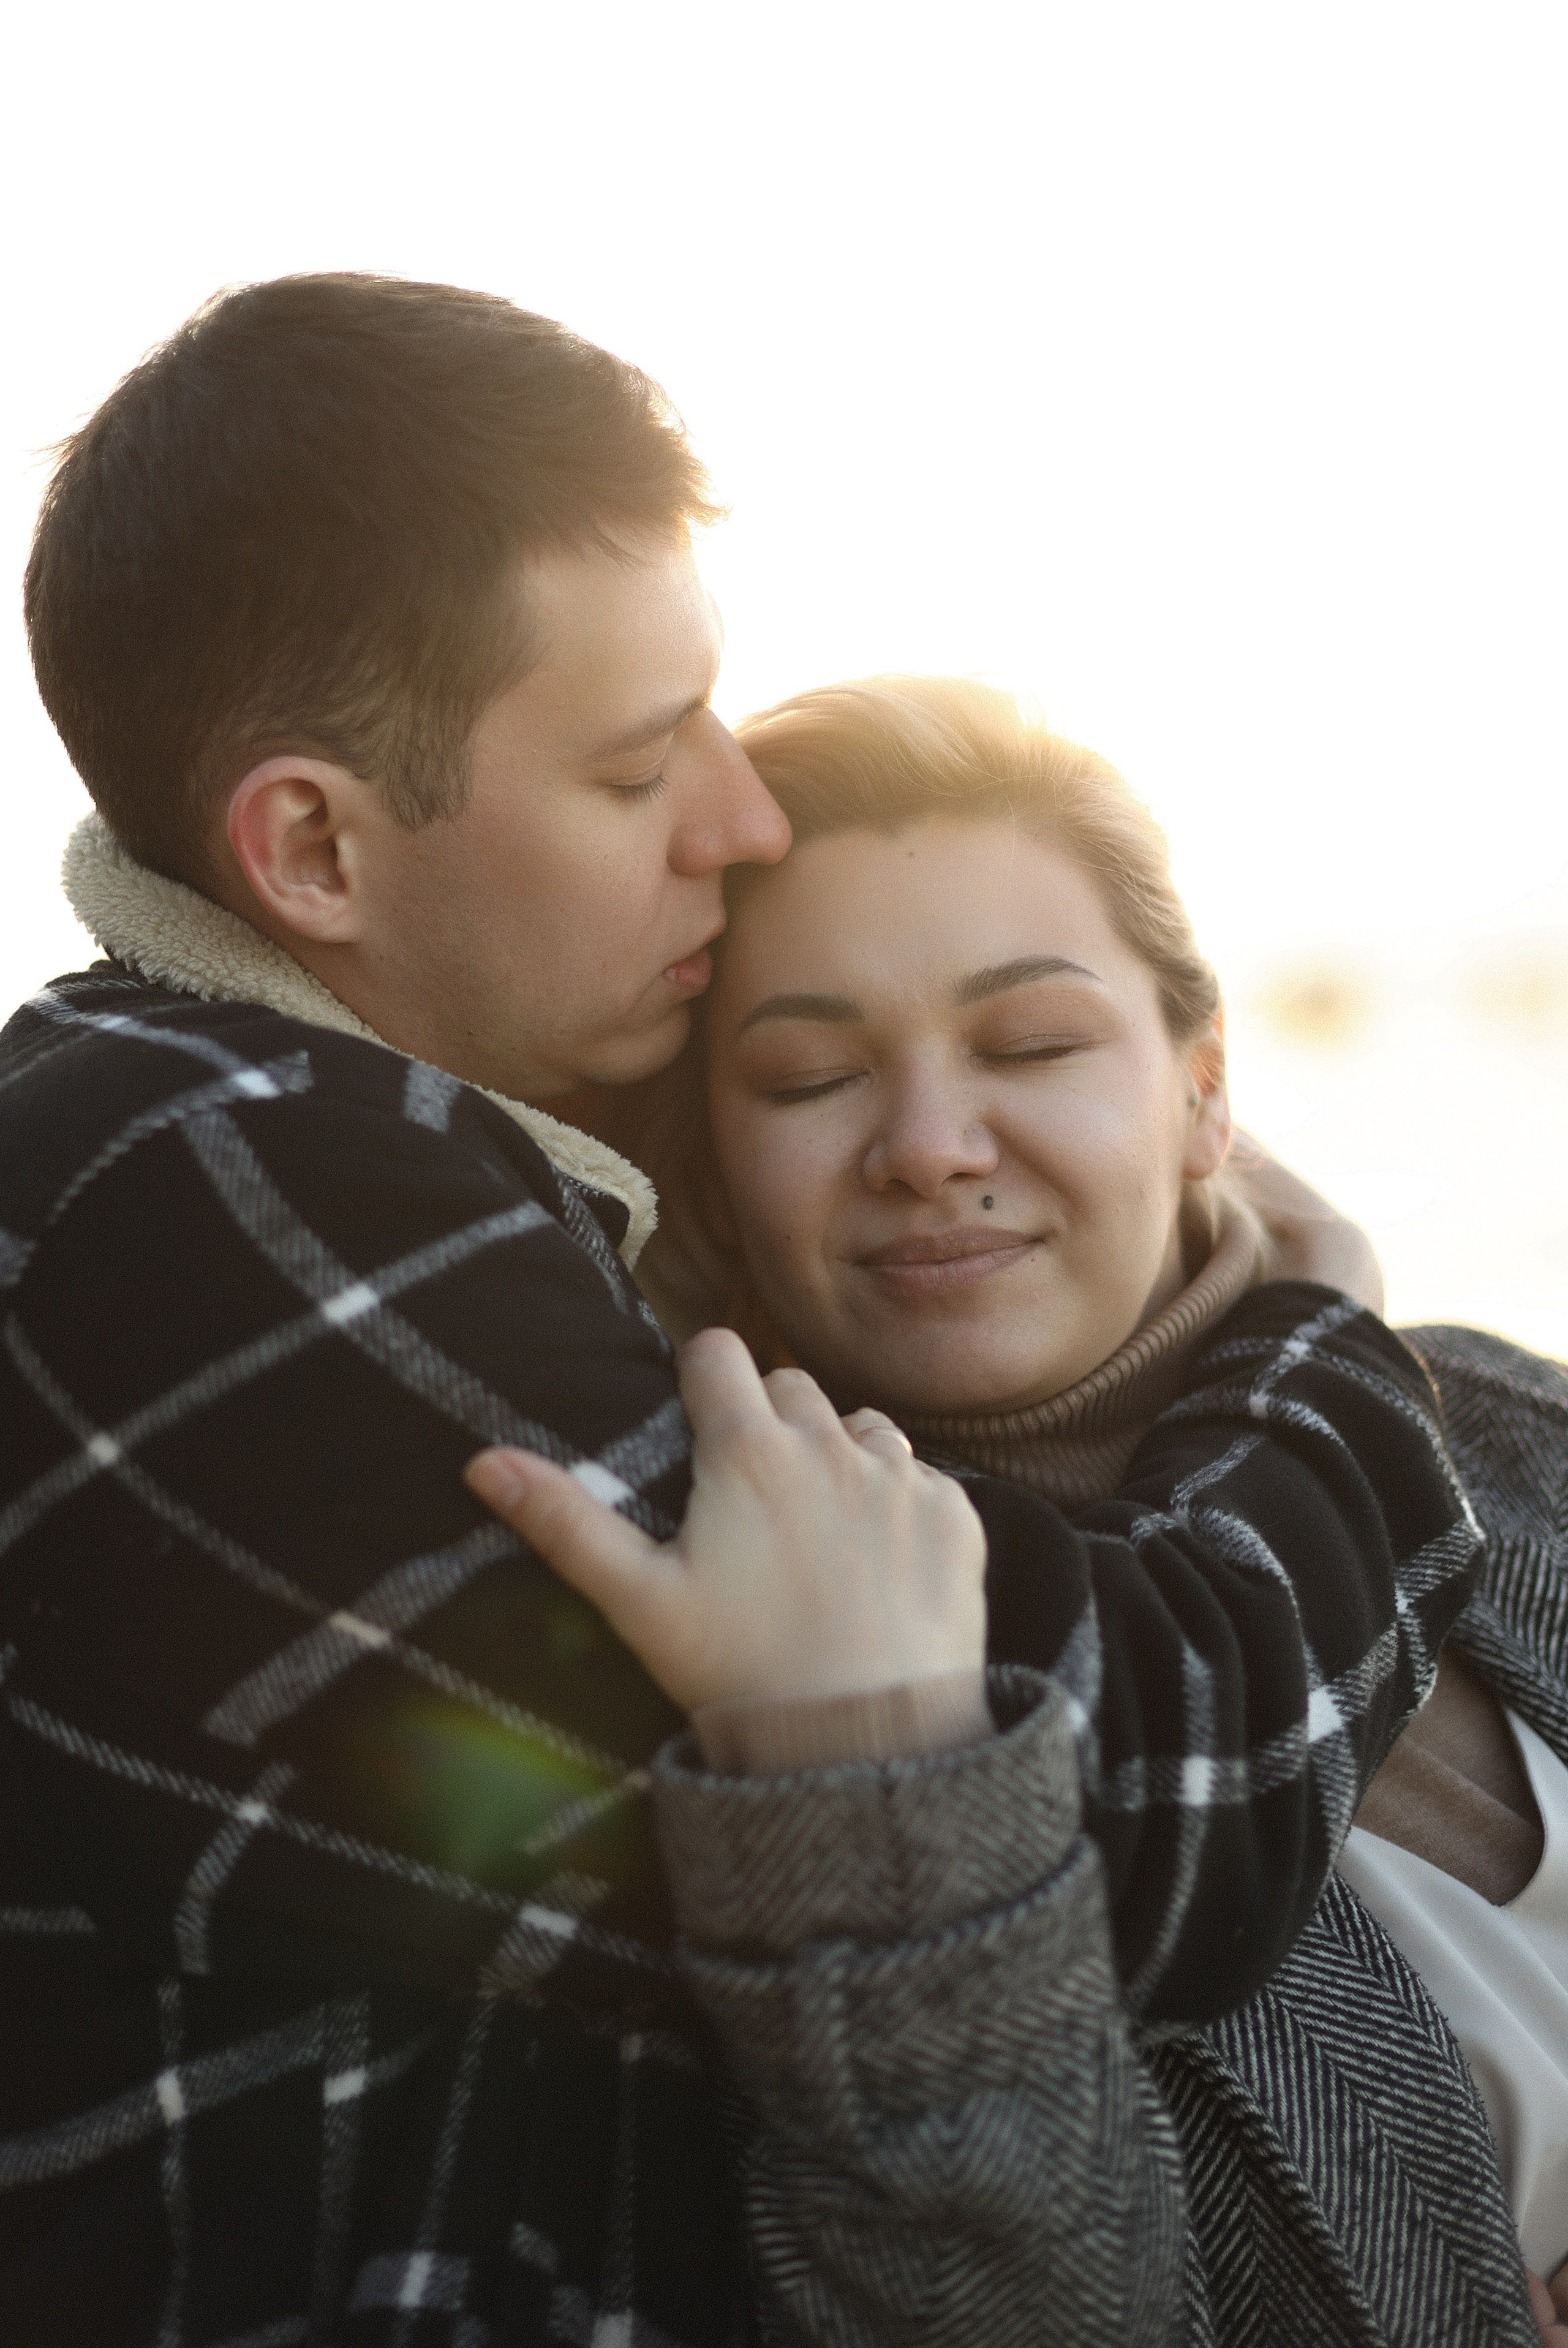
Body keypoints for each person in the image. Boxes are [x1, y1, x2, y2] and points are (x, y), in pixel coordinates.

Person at [4, 277, 1474, 2347]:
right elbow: (1134, 1821)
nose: (743, 813)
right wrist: (1327, 1333)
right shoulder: (218, 1190)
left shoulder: (326, 1141)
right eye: (634, 768)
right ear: (313, 848)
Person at [487, 672, 1562, 2347]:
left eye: (1032, 1042)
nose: (927, 1144)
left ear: (1204, 1084)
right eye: (807, 1075)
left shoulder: (1502, 1420)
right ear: (709, 1162)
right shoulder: (784, 1656)